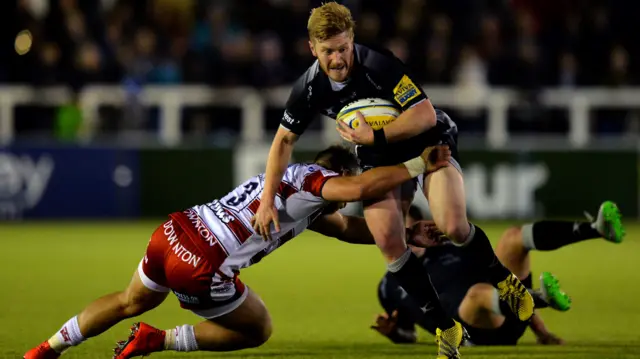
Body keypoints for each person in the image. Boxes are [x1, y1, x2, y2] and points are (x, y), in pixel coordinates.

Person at [250, 3, 532, 357]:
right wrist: (265, 201)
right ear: (312, 48)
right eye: (327, 52)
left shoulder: (377, 64)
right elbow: (283, 142)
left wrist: (375, 137)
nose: (337, 59)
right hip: (378, 155)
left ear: (352, 40)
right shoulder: (309, 87)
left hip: (427, 142)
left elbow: (425, 114)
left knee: (453, 227)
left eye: (342, 48)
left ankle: (506, 282)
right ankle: (446, 327)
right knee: (387, 238)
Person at [23, 144, 450, 359]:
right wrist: (418, 164)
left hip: (173, 232)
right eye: (343, 186)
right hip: (203, 264)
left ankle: (46, 349)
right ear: (335, 171)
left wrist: (409, 234)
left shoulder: (295, 190)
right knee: (258, 327)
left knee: (128, 300)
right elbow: (358, 188)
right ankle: (160, 339)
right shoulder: (317, 181)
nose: (348, 200)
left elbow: (346, 229)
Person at [371, 201, 624, 346]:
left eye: (409, 230)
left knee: (513, 238)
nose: (405, 238)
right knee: (477, 295)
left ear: (422, 229)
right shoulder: (388, 286)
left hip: (511, 313)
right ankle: (540, 298)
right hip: (477, 334)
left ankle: (597, 229)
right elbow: (409, 336)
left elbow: (500, 276)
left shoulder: (452, 248)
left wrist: (542, 333)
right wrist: (394, 333)